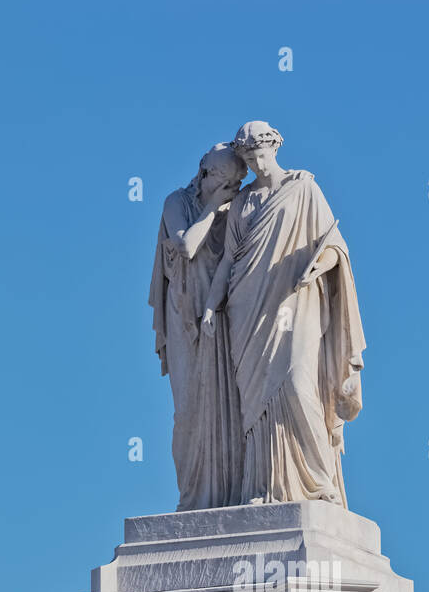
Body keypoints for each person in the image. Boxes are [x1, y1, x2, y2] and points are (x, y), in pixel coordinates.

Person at [202, 120, 365, 507]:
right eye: (248, 159)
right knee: (255, 401)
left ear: (274, 147)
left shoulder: (303, 189)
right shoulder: (241, 203)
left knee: (296, 383)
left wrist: (318, 267)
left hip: (296, 299)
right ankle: (263, 488)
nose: (256, 164)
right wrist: (211, 304)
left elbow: (333, 244)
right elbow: (227, 260)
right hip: (247, 308)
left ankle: (318, 481)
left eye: (260, 155)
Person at [149, 143, 247, 508]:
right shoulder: (178, 203)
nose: (233, 189)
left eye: (238, 182)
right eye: (226, 181)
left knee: (227, 406)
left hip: (219, 313)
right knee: (189, 408)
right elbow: (186, 246)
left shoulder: (234, 208)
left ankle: (227, 493)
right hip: (182, 314)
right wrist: (212, 208)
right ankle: (192, 496)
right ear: (206, 173)